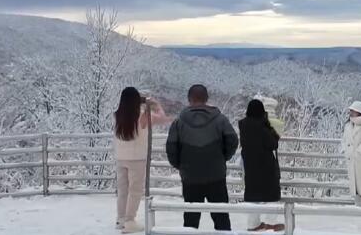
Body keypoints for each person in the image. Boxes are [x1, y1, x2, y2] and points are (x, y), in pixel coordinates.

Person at [166, 84, 239, 231]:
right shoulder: (220, 119)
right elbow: (233, 141)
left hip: (190, 176)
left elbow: (171, 148)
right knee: (221, 218)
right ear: (206, 99)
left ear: (189, 99)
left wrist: (181, 165)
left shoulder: (179, 122)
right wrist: (222, 158)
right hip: (216, 175)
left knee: (191, 219)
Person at [114, 87, 171, 233]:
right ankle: (130, 221)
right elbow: (163, 118)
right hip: (137, 158)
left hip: (120, 157)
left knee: (123, 190)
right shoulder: (143, 116)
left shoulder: (117, 115)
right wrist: (155, 104)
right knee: (135, 190)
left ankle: (121, 219)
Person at [239, 99, 285, 232]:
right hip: (265, 165)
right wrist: (268, 125)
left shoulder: (243, 125)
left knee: (253, 194)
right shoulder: (261, 126)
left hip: (250, 165)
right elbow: (273, 143)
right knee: (271, 194)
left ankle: (253, 224)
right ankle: (270, 223)